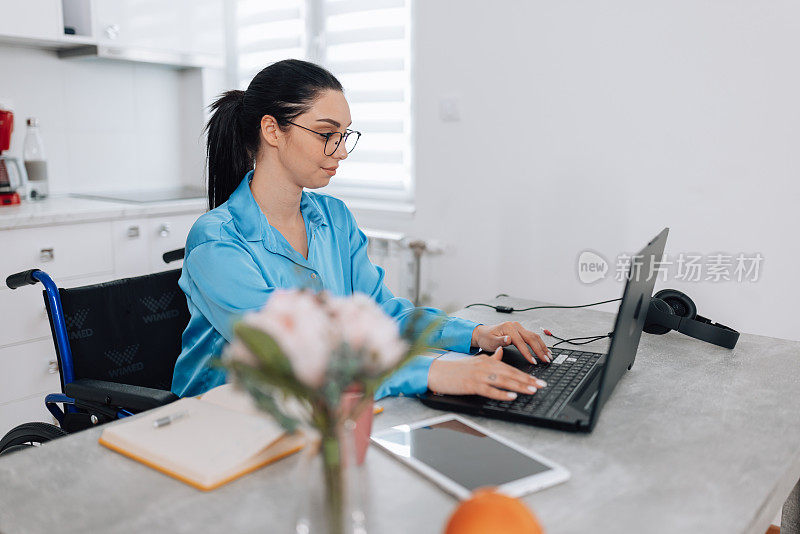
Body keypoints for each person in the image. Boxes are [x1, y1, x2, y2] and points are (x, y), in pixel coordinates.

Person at [171, 59, 552, 400]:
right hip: (221, 423)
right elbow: (292, 354)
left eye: (344, 136)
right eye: (326, 134)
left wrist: (476, 334)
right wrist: (436, 372)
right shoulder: (217, 240)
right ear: (272, 130)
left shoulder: (334, 218)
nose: (341, 152)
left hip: (313, 412)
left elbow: (382, 314)